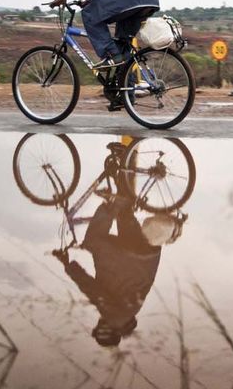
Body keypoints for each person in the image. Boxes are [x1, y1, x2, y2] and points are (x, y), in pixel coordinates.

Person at [51, 142, 162, 347]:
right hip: (128, 257)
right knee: (93, 242)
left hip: (145, 254)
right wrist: (68, 265)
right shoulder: (114, 317)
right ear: (107, 330)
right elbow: (92, 289)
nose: (99, 323)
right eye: (99, 327)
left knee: (125, 213)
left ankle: (124, 164)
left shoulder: (130, 311)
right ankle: (111, 204)